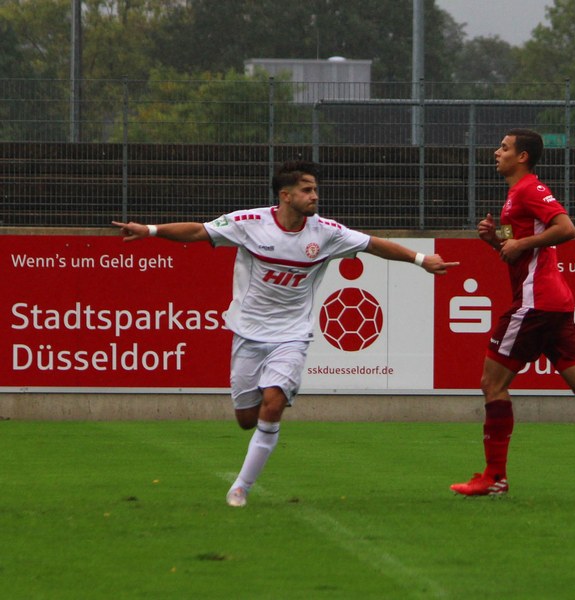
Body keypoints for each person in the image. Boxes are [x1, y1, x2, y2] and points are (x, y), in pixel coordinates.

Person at [112, 160, 457, 507]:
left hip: (292, 335)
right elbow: (198, 232)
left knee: (274, 403)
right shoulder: (249, 223)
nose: (314, 196)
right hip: (248, 333)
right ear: (286, 195)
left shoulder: (326, 232)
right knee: (246, 419)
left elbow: (373, 245)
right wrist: (150, 230)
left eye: (315, 190)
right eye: (307, 190)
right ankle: (251, 444)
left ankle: (240, 487)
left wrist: (420, 260)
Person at [450, 128, 575, 503]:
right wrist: (496, 240)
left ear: (522, 157)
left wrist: (519, 243)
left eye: (504, 148)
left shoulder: (530, 189)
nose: (496, 152)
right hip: (553, 305)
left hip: (535, 302)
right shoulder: (515, 195)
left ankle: (495, 477)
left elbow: (566, 228)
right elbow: (515, 248)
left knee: (492, 383)